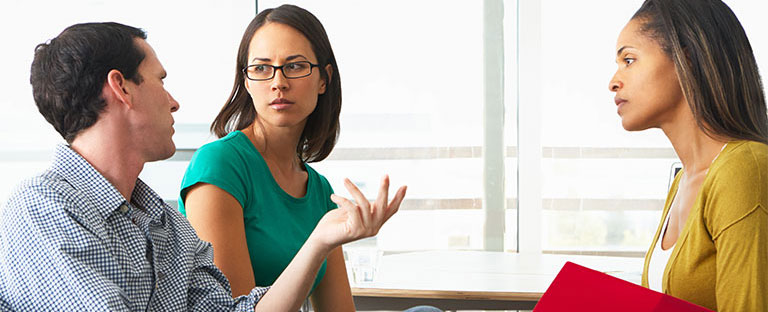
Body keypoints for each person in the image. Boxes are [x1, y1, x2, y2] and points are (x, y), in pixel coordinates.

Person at [0, 21, 404, 312]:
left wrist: (319, 241)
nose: (174, 102)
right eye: (160, 80)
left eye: (295, 67)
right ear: (121, 88)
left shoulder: (165, 224)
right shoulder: (42, 208)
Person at [178, 5, 366, 311]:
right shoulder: (220, 164)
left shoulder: (319, 190)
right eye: (262, 68)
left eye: (294, 66)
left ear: (324, 79)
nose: (278, 82)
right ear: (247, 81)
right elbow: (237, 308)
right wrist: (318, 243)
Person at [608, 0, 768, 310]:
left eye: (629, 60)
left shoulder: (743, 168)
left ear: (687, 59)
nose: (614, 81)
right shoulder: (683, 182)